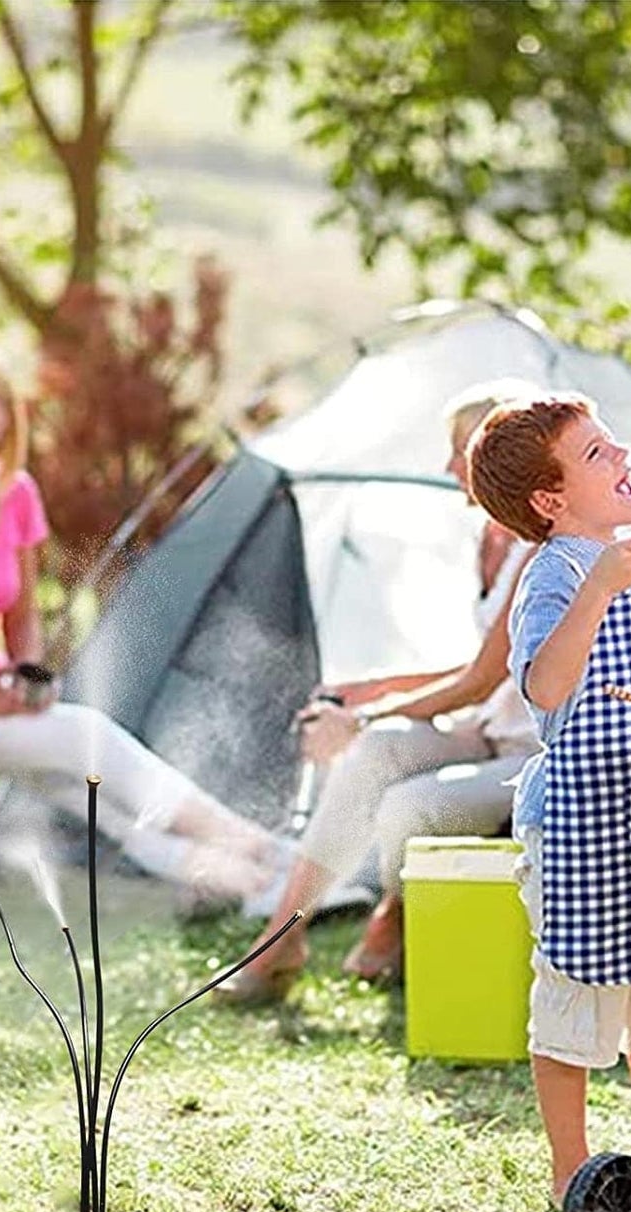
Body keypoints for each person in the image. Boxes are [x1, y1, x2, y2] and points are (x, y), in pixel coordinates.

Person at [0, 340, 288, 907]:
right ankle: (254, 845)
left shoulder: (16, 495)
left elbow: (20, 613)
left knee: (83, 790)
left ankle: (248, 882)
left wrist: (26, 678)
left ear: (6, 419)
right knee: (86, 739)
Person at [470, 392, 631, 1212]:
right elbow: (545, 686)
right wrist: (596, 592)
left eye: (615, 446)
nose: (622, 461)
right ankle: (571, 1171)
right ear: (549, 502)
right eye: (596, 455)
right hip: (582, 823)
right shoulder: (552, 576)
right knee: (573, 1004)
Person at [221, 379, 542, 1003]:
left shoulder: (536, 548)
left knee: (406, 806)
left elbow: (482, 677)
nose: (450, 468)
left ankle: (393, 911)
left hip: (536, 756)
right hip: (489, 734)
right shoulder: (489, 538)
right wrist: (374, 693)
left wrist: (362, 717)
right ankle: (283, 935)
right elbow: (484, 663)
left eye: (465, 451)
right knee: (382, 752)